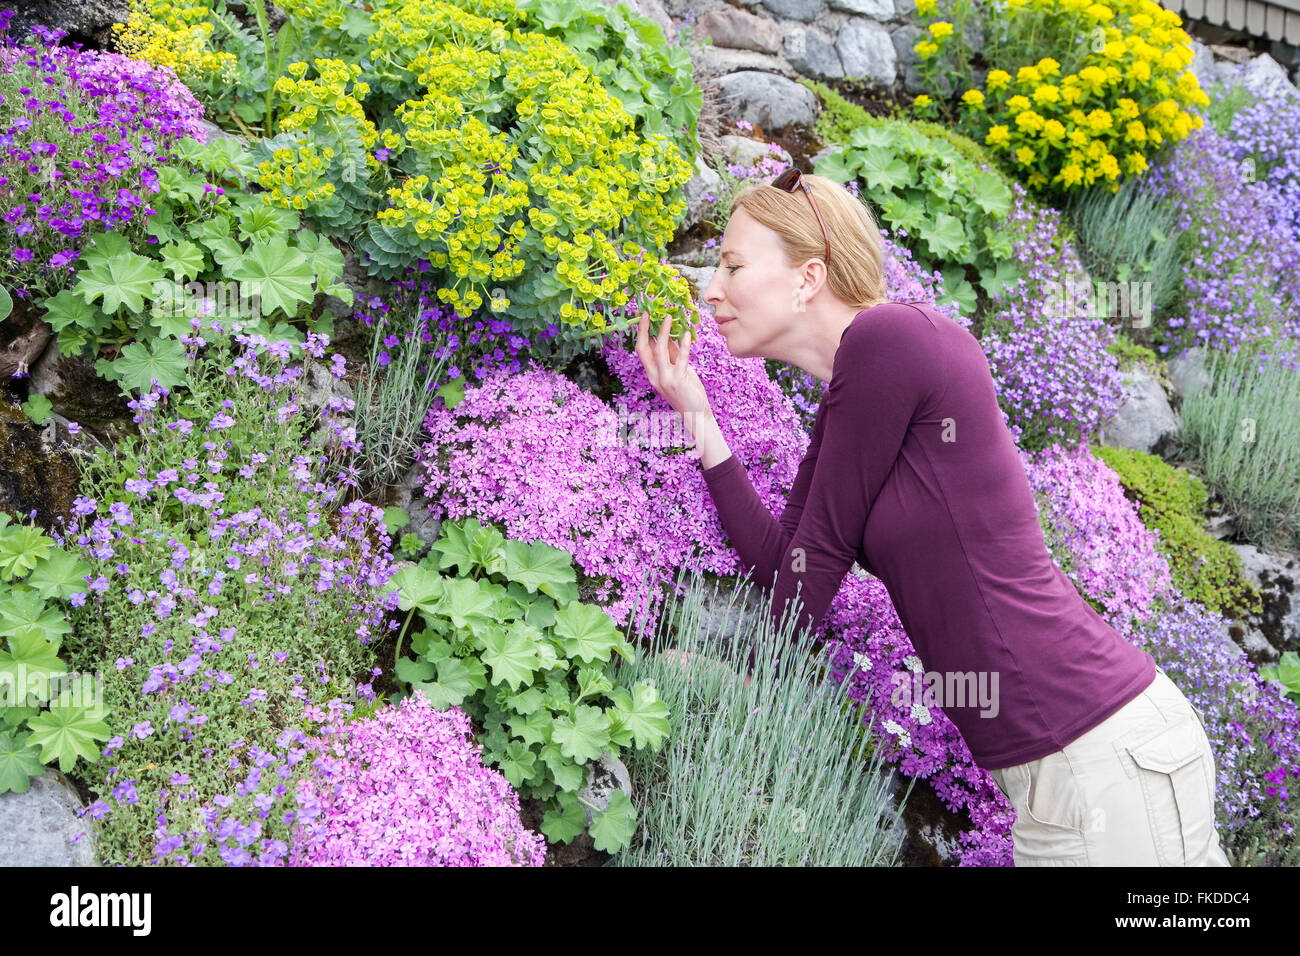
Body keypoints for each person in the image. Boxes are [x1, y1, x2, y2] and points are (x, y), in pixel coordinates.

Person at [633, 169, 1231, 867]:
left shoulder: (892, 339)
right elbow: (789, 567)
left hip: (1099, 754)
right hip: (1075, 765)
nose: (711, 289)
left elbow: (805, 589)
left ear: (808, 277)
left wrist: (726, 676)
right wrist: (697, 416)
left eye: (733, 265)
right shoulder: (856, 393)